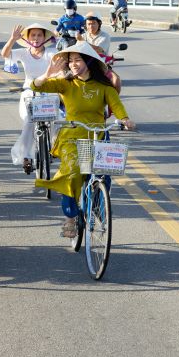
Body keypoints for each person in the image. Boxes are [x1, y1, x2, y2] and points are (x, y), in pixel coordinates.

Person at [30, 43, 135, 237]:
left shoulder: (103, 87)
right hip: (71, 137)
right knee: (72, 173)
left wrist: (125, 119)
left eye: (78, 60)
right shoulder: (66, 84)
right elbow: (35, 85)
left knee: (104, 175)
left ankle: (97, 205)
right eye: (70, 61)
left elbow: (117, 105)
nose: (73, 64)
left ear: (88, 62)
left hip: (98, 135)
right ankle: (70, 217)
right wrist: (47, 74)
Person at [0, 23, 56, 173]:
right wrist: (12, 39)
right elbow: (5, 54)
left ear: (45, 38)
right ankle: (25, 156)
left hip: (49, 92)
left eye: (39, 35)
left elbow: (62, 66)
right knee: (29, 122)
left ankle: (51, 148)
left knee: (55, 120)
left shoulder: (52, 53)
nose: (36, 38)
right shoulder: (23, 52)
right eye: (33, 35)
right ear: (28, 38)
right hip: (29, 92)